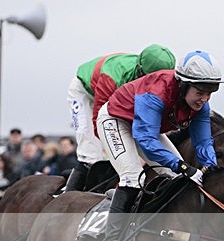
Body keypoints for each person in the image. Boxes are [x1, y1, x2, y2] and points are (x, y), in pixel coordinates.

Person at [97, 49, 223, 241]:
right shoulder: (156, 91)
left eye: (210, 92)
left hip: (146, 128)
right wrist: (183, 166)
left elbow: (203, 142)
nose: (205, 98)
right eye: (200, 91)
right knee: (132, 176)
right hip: (116, 121)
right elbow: (145, 139)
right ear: (183, 84)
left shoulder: (202, 105)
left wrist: (212, 167)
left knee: (177, 180)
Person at [64, 44, 176, 192]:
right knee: (90, 153)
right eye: (152, 79)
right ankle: (66, 197)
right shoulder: (113, 78)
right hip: (84, 92)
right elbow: (101, 124)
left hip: (111, 90)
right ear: (140, 71)